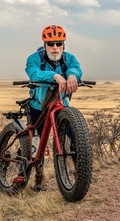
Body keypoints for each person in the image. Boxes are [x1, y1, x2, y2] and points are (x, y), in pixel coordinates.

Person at [25, 24, 83, 191]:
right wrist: (55, 76)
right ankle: (39, 175)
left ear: (63, 44)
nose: (55, 47)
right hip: (38, 107)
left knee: (76, 136)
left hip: (60, 106)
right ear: (45, 45)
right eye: (51, 44)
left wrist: (72, 75)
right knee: (37, 142)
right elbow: (34, 73)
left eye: (59, 43)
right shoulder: (34, 58)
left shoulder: (69, 58)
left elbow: (76, 68)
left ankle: (81, 172)